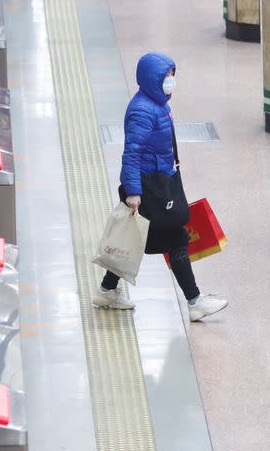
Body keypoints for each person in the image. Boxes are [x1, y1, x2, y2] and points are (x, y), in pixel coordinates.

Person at [92, 52, 228, 322]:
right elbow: (132, 152)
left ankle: (107, 290)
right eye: (166, 76)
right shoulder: (144, 110)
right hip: (147, 189)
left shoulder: (158, 105)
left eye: (172, 75)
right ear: (152, 79)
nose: (171, 81)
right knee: (175, 237)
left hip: (157, 184)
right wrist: (133, 192)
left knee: (134, 239)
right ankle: (194, 300)